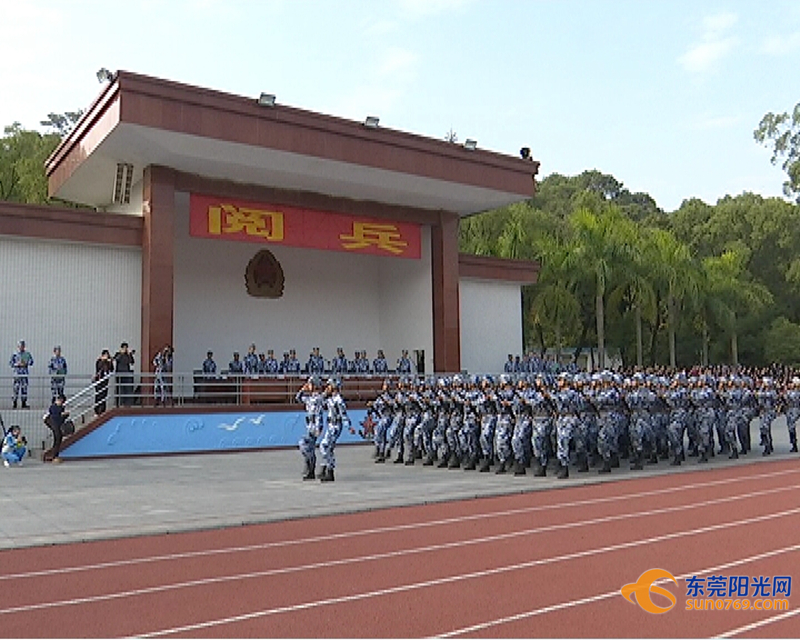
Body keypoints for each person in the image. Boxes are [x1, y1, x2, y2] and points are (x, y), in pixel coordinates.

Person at [319, 377, 350, 482]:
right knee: (329, 448)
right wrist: (324, 394)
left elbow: (343, 414)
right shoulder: (330, 398)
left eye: (329, 385)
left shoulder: (338, 400)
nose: (327, 387)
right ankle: (327, 470)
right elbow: (321, 404)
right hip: (330, 425)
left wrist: (348, 426)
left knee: (324, 446)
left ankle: (329, 468)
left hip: (336, 426)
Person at [296, 376, 324, 480]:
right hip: (309, 426)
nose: (309, 386)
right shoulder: (310, 398)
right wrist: (303, 390)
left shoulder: (318, 399)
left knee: (304, 445)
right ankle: (310, 469)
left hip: (314, 427)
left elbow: (319, 413)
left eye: (310, 384)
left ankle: (310, 468)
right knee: (309, 448)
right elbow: (298, 398)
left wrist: (318, 427)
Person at [9, 340, 34, 409]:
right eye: (20, 346)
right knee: (16, 389)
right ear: (18, 347)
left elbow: (31, 362)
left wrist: (26, 363)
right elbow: (11, 363)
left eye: (22, 346)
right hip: (17, 374)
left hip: (24, 374)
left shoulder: (27, 354)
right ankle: (14, 403)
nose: (21, 347)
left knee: (24, 388)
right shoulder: (15, 354)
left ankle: (24, 403)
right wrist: (17, 364)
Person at [46, 394, 69, 463]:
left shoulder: (61, 407)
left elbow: (61, 418)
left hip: (57, 424)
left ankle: (55, 455)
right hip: (54, 424)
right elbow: (55, 416)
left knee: (58, 439)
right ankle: (54, 456)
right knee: (57, 438)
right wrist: (62, 414)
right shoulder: (53, 407)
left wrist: (65, 415)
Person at [113, 342, 135, 407]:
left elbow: (132, 362)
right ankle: (119, 403)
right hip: (119, 374)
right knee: (119, 389)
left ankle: (127, 403)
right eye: (124, 348)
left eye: (126, 348)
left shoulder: (128, 355)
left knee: (127, 389)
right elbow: (116, 359)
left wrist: (130, 354)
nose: (125, 349)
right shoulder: (118, 354)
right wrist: (121, 353)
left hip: (127, 374)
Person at [94, 349, 115, 415]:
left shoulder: (108, 362)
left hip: (105, 381)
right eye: (105, 355)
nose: (106, 356)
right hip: (99, 380)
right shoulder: (99, 361)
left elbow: (111, 369)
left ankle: (103, 410)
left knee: (104, 395)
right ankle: (97, 410)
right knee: (98, 395)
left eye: (107, 355)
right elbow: (98, 368)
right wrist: (103, 361)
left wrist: (110, 362)